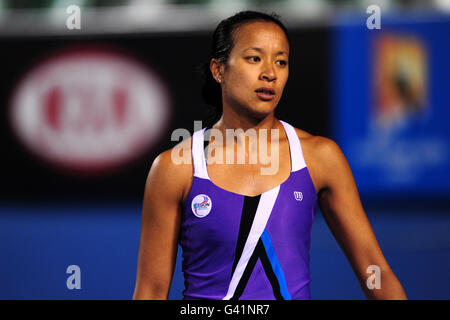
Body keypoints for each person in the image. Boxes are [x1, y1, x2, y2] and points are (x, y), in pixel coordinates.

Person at [132, 11, 407, 300]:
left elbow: (376, 272)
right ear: (218, 70)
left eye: (281, 61)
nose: (270, 73)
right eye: (254, 58)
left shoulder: (321, 158)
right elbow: (151, 290)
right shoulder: (174, 167)